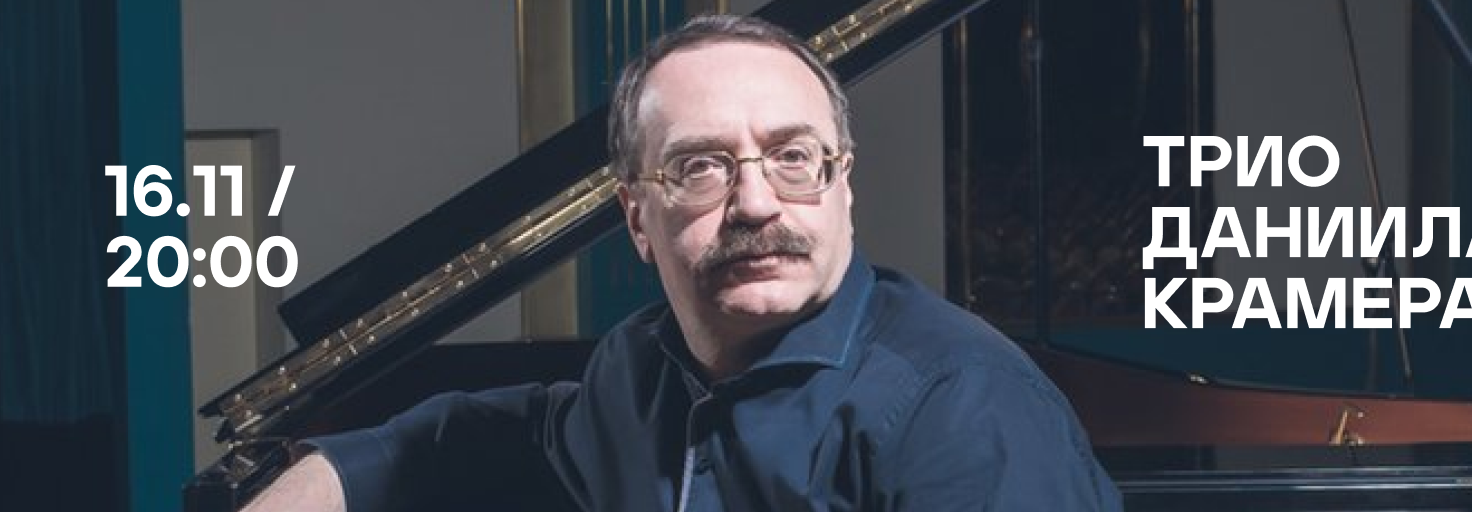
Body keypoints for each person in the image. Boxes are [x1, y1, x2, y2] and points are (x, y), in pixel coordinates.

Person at [241, 14, 1122, 512]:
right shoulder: (639, 371)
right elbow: (491, 434)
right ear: (637, 216)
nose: (756, 203)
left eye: (793, 157)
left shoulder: (962, 407)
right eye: (701, 166)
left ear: (842, 185)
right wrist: (330, 475)